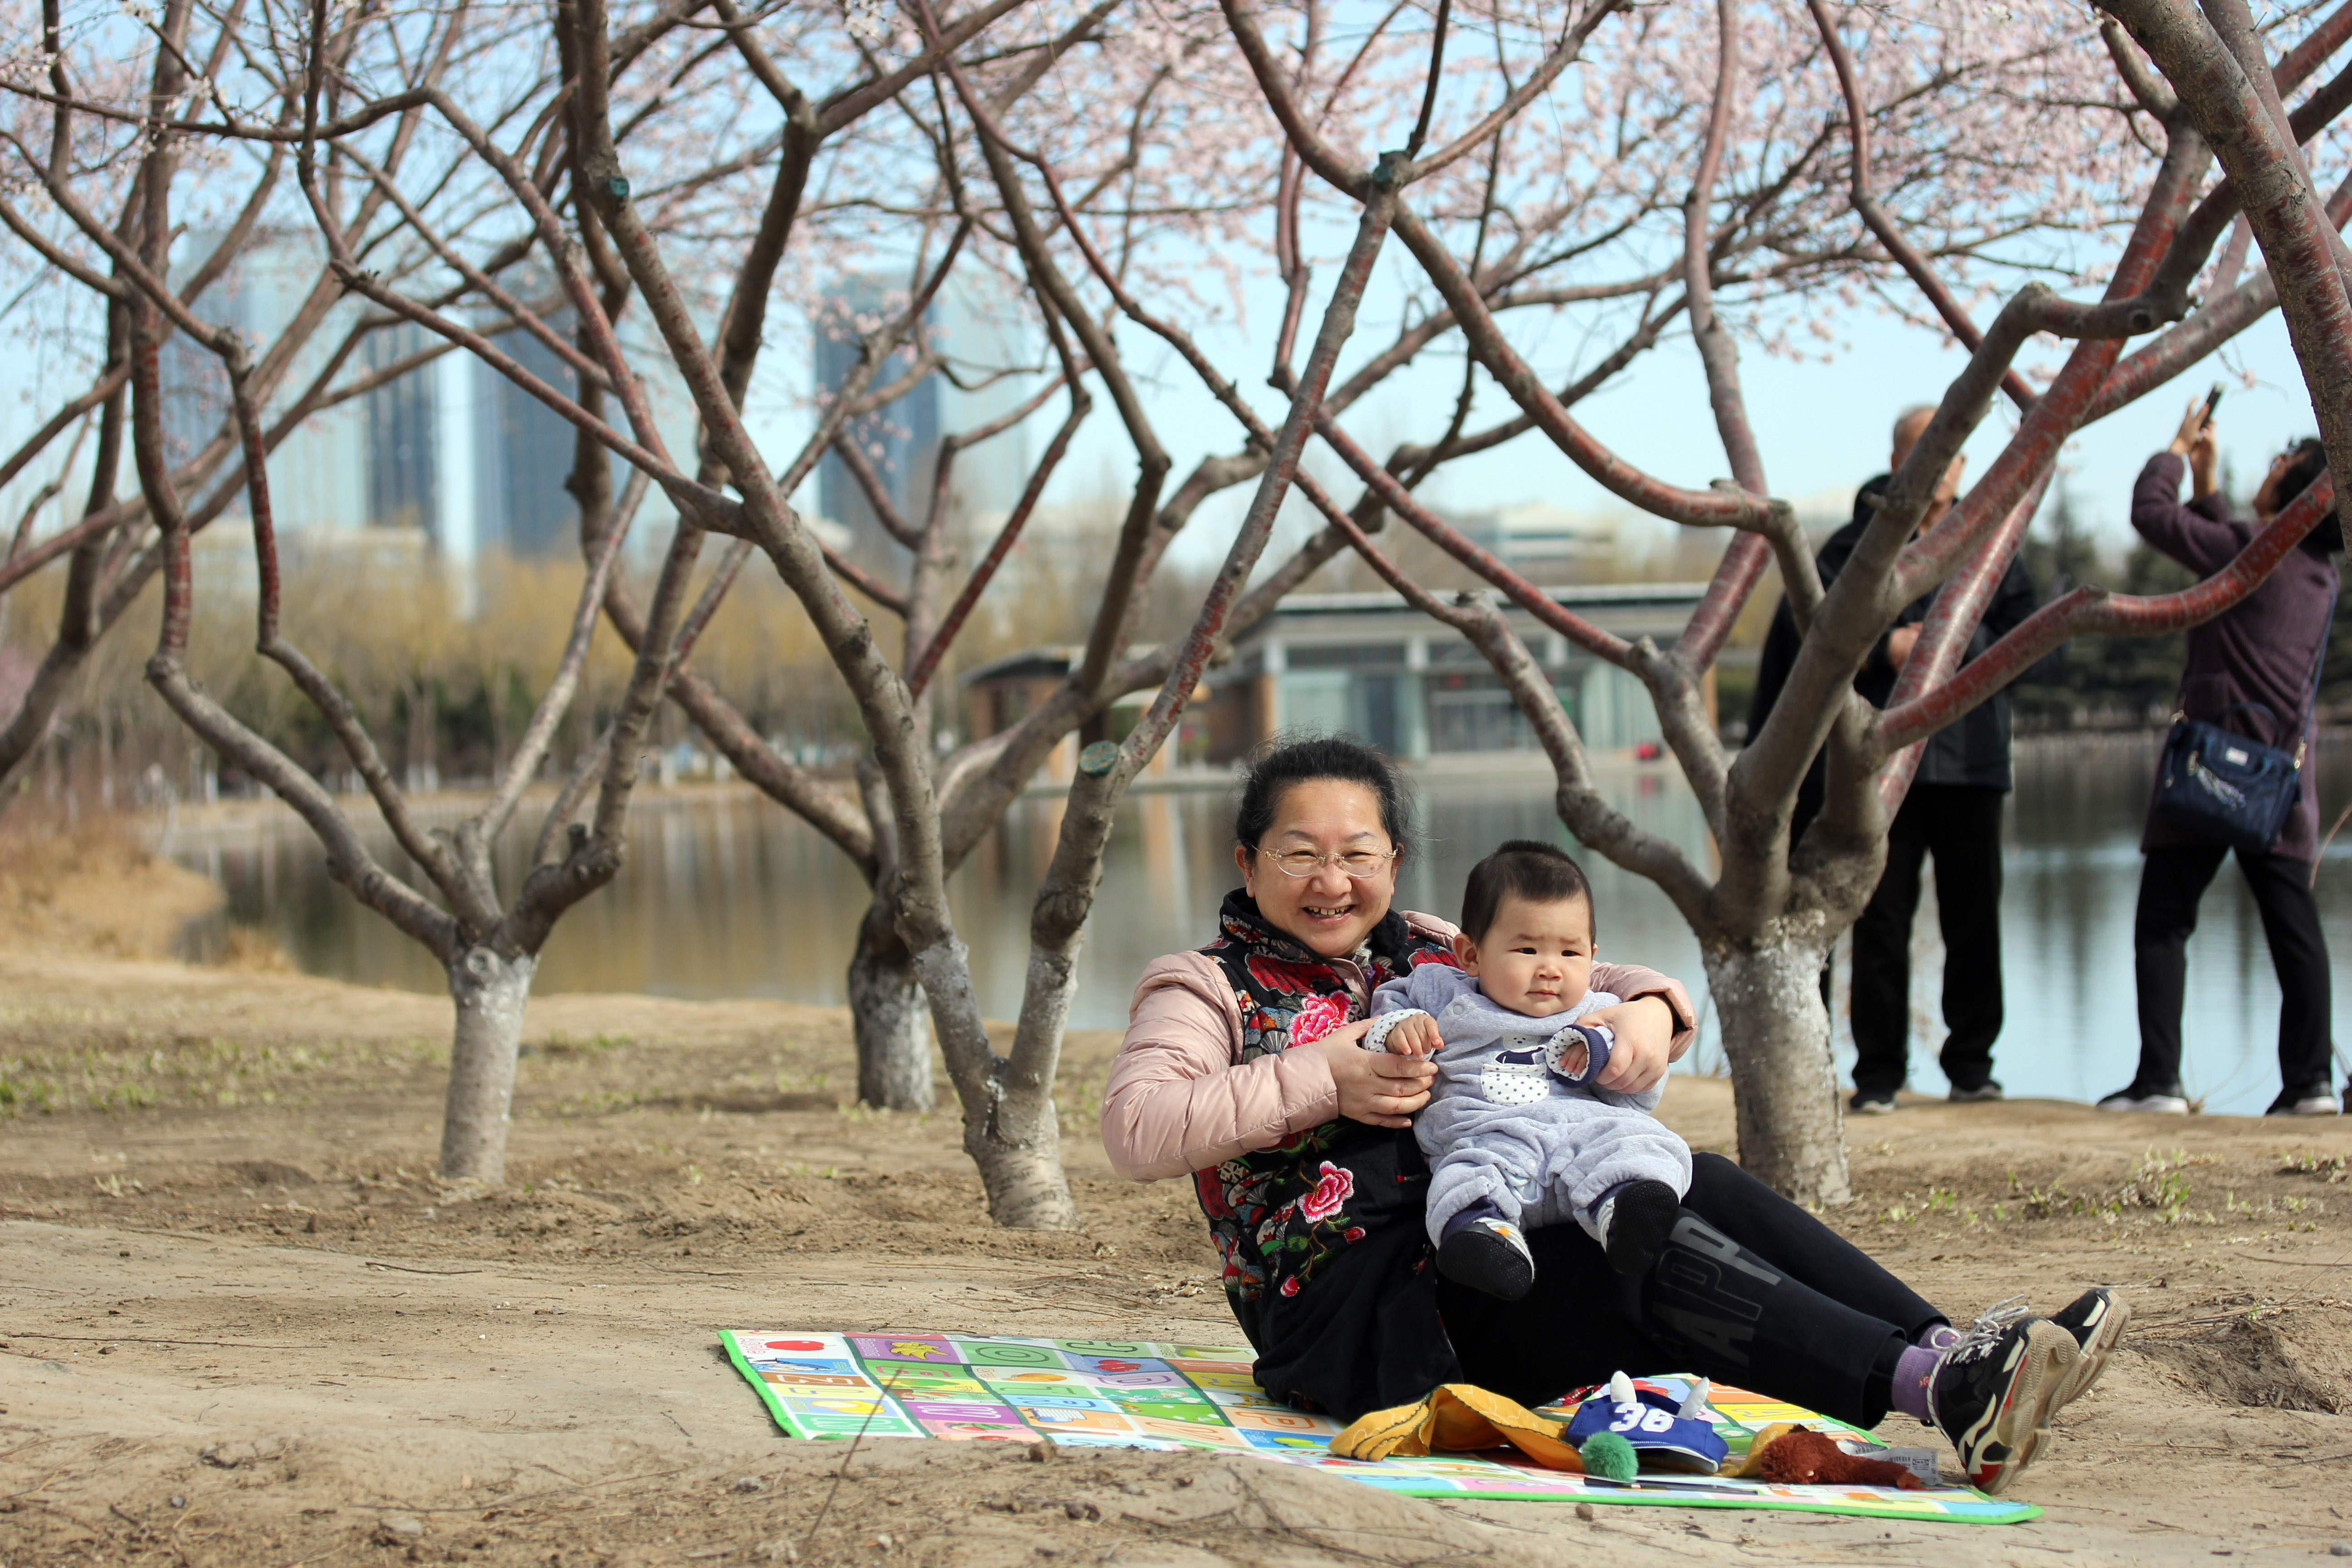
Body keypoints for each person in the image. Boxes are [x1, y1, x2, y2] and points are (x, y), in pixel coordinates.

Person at [1103, 734, 2127, 1494]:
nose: (1334, 883)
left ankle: (1956, 1357)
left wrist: (1651, 1009)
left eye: (1358, 854)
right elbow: (1138, 1126)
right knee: (1632, 1252)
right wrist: (1325, 1074)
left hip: (1502, 1246)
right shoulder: (1204, 985)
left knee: (1697, 1177)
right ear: (1247, 863)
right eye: (1299, 856)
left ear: (1395, 860)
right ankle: (1931, 1389)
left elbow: (1586, 968)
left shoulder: (1427, 946)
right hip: (1366, 1319)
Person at [1746, 406, 2038, 1114]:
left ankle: (1973, 1066)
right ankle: (1879, 1076)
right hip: (1874, 769)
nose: (1940, 465)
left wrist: (1953, 645)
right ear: (1900, 457)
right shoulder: (1851, 550)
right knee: (1879, 921)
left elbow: (2028, 632)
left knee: (1977, 916)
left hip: (1971, 760)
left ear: (1966, 464)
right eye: (1924, 451)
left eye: (1953, 453)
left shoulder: (1994, 540)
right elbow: (1808, 643)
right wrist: (1885, 650)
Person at [2098, 402, 2342, 1117]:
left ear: (2299, 487)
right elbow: (2237, 549)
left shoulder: (2254, 549)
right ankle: (2310, 1086)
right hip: (2278, 783)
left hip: (2210, 771)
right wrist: (2209, 484)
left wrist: (2175, 449)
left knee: (2164, 922)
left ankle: (2160, 1082)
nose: (2268, 468)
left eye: (2280, 464)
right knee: (2294, 928)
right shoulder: (2317, 572)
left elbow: (2152, 515)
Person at [1363, 839, 1690, 1299]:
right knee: (1461, 1177)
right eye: (1528, 950)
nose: (1551, 969)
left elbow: (1638, 1095)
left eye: (1570, 954)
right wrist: (1401, 1032)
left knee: (1645, 1144)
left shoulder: (1600, 1011)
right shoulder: (1437, 993)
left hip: (1586, 1135)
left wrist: (1603, 1056)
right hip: (1489, 1137)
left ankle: (1624, 1212)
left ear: (1592, 955)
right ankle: (1485, 1237)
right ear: (1471, 955)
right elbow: (1377, 1029)